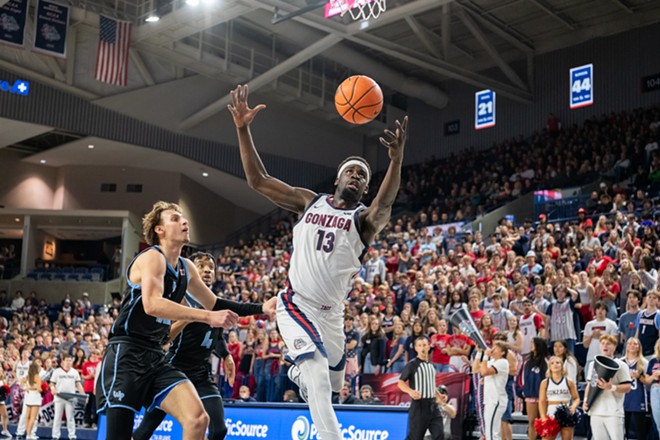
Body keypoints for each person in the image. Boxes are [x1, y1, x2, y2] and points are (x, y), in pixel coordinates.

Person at [229, 84, 408, 440]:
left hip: (332, 315)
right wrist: (243, 128)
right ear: (338, 178)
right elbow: (257, 180)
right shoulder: (309, 202)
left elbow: (384, 205)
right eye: (352, 172)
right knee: (317, 374)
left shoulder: (364, 221)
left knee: (332, 385)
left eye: (363, 177)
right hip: (297, 304)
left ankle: (297, 375)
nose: (357, 177)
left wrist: (396, 160)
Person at [95, 201, 240, 440]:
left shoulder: (185, 268)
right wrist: (206, 316)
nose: (184, 221)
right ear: (159, 230)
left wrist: (262, 308)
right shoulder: (152, 257)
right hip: (127, 354)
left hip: (156, 357)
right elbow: (151, 305)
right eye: (175, 218)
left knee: (198, 419)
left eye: (183, 218)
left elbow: (216, 306)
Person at [133, 252, 275, 440]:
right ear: (192, 272)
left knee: (219, 430)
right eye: (202, 266)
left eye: (211, 268)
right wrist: (189, 316)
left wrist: (226, 356)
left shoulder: (214, 302)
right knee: (145, 430)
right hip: (174, 370)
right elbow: (165, 340)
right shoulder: (179, 300)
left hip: (201, 373)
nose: (207, 270)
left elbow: (216, 335)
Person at [583, 335, 632, 440]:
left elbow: (628, 387)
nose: (605, 346)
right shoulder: (593, 364)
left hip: (613, 411)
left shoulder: (621, 365)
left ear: (614, 346)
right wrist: (586, 400)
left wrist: (611, 387)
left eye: (608, 344)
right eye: (603, 343)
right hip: (596, 410)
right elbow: (589, 385)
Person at [398, 336, 443, 440]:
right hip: (419, 406)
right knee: (415, 437)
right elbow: (400, 382)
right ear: (415, 348)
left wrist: (438, 395)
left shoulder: (432, 365)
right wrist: (410, 391)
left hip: (433, 405)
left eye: (424, 345)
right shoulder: (412, 365)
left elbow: (430, 384)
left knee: (439, 434)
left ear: (428, 346)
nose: (422, 347)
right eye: (419, 345)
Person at [473, 341, 509, 440]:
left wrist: (485, 356)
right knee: (489, 432)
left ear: (502, 352)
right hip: (489, 400)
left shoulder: (503, 362)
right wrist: (479, 353)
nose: (492, 349)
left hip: (496, 400)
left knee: (492, 433)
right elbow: (475, 369)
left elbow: (484, 372)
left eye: (496, 348)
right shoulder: (491, 361)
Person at [538, 356, 580, 440]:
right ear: (549, 367)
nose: (555, 365)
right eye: (552, 363)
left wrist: (574, 406)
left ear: (562, 365)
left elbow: (576, 398)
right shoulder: (545, 382)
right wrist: (543, 416)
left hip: (566, 412)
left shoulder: (569, 381)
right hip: (551, 413)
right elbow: (542, 401)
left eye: (558, 362)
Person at [619, 337, 649, 440]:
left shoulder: (643, 362)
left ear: (639, 347)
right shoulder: (620, 362)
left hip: (638, 397)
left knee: (640, 430)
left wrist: (639, 377)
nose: (632, 345)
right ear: (626, 346)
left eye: (635, 344)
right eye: (630, 343)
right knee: (623, 430)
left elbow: (648, 381)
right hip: (623, 398)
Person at [50, 352, 85, 440]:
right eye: (67, 360)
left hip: (70, 397)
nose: (69, 362)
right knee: (57, 417)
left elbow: (78, 384)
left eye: (70, 360)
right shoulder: (57, 372)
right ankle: (55, 435)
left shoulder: (75, 372)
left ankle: (72, 435)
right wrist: (52, 388)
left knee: (70, 417)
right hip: (59, 397)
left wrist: (83, 394)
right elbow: (52, 383)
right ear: (63, 361)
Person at [21, 361, 41, 440]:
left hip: (29, 397)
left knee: (27, 417)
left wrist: (26, 388)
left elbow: (21, 383)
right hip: (35, 397)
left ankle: (28, 434)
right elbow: (39, 389)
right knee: (33, 417)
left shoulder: (27, 376)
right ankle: (29, 435)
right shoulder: (37, 376)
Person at [81, 348, 101, 428]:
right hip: (88, 387)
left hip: (97, 388)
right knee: (87, 405)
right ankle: (87, 421)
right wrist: (88, 376)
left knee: (95, 406)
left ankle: (95, 422)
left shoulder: (100, 363)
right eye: (93, 353)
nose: (95, 355)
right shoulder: (86, 364)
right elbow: (82, 375)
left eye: (97, 353)